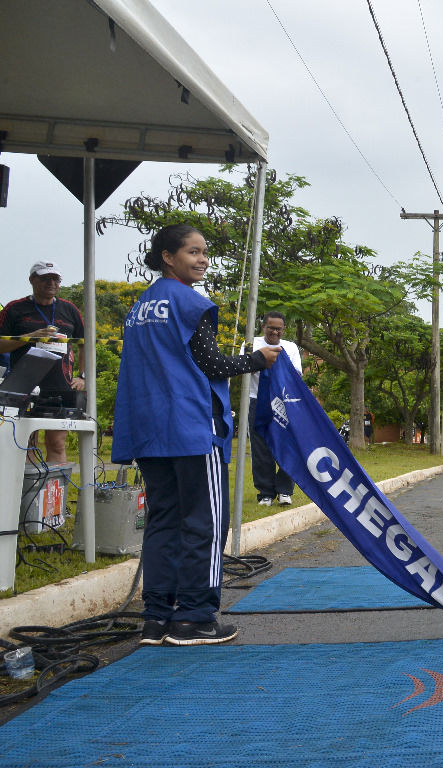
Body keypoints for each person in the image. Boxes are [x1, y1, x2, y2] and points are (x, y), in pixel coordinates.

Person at [112, 225, 282, 647]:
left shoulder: (139, 307)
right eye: (193, 252)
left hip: (149, 430)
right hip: (190, 427)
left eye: (205, 252)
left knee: (163, 520)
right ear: (168, 257)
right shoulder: (190, 301)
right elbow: (212, 364)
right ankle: (195, 617)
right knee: (204, 523)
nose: (203, 259)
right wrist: (257, 359)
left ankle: (156, 617)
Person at [0, 262, 86, 464]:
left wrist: (83, 376)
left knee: (57, 443)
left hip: (60, 385)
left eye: (56, 279)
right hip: (24, 384)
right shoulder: (15, 308)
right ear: (32, 280)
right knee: (26, 443)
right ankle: (28, 493)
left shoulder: (69, 309)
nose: (51, 283)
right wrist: (30, 337)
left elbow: (85, 344)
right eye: (45, 278)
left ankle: (54, 493)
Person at [249, 311, 303, 506]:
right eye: (271, 327)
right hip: (256, 401)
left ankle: (285, 491)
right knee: (260, 448)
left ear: (284, 329)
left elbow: (296, 376)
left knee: (288, 445)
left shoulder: (290, 347)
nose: (274, 332)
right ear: (263, 326)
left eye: (278, 329)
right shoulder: (251, 343)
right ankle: (265, 493)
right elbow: (244, 368)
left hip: (284, 403)